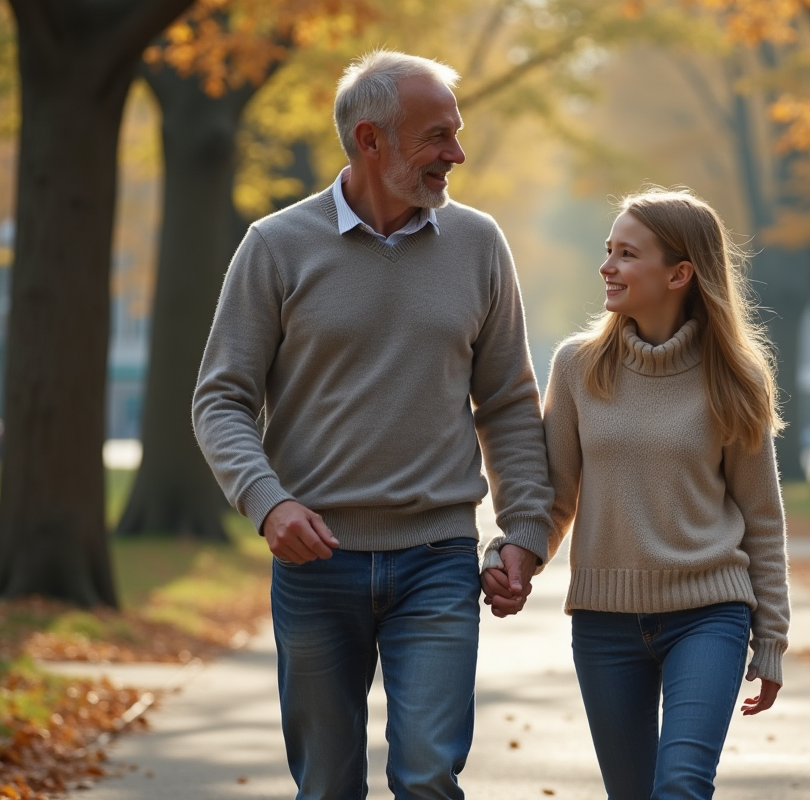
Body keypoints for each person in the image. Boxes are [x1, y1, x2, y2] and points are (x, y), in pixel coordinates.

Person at [192, 50, 551, 800]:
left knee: (426, 774)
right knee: (326, 786)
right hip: (316, 562)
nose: (455, 153)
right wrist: (268, 502)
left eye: (455, 134)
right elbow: (221, 398)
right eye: (437, 136)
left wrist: (523, 532)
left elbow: (511, 402)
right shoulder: (275, 246)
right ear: (370, 140)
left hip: (438, 558)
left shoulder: (479, 244)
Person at [482, 187, 791, 799]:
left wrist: (772, 638)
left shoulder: (735, 378)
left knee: (679, 786)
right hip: (605, 624)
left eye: (627, 254)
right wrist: (513, 554)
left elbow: (762, 517)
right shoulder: (577, 367)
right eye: (608, 250)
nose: (607, 266)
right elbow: (556, 498)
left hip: (709, 614)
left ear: (679, 273)